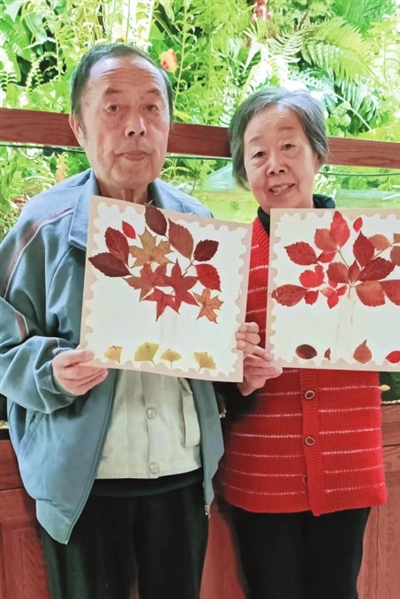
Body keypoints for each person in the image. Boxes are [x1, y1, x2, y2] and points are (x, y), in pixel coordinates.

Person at [0, 43, 261, 599]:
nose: (136, 126)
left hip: (183, 473)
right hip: (83, 486)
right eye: (113, 107)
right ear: (78, 126)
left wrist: (234, 354)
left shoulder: (198, 224)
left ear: (167, 126)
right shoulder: (42, 227)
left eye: (151, 108)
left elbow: (214, 344)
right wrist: (50, 372)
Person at [218, 87, 387, 599]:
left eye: (289, 146)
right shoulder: (225, 261)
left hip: (346, 468)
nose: (274, 165)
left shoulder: (371, 251)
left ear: (318, 154)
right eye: (257, 154)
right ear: (243, 170)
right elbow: (211, 378)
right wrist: (238, 378)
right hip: (261, 474)